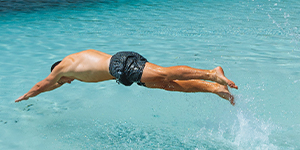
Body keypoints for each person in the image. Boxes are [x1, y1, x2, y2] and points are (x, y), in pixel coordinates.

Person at [16, 50, 238, 105]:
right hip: (122, 71)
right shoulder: (70, 67)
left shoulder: (63, 66)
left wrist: (26, 96)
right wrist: (45, 90)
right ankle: (214, 89)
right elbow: (52, 86)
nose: (69, 82)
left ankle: (212, 73)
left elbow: (44, 84)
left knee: (164, 73)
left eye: (64, 80)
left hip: (120, 64)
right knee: (168, 85)